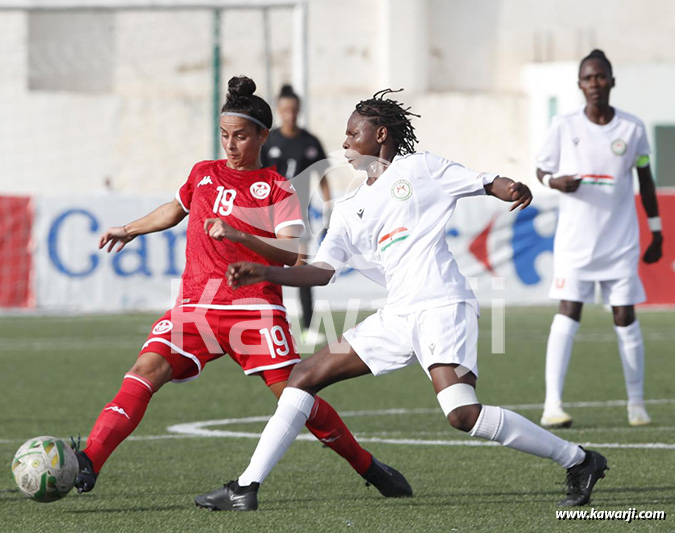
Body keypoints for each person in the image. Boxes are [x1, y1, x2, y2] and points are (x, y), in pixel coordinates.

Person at [194, 89, 608, 511]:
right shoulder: (350, 206)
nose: (345, 144)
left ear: (380, 135)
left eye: (353, 134)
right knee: (302, 377)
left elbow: (484, 181)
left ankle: (579, 460)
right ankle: (246, 487)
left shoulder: (420, 168)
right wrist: (266, 272)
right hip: (397, 315)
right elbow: (321, 271)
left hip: (443, 304)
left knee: (462, 415)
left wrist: (510, 187)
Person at [73, 76, 412, 502]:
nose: (230, 146)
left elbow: (292, 252)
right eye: (224, 136)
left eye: (239, 137)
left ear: (262, 136)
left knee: (297, 395)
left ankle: (368, 466)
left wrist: (239, 234)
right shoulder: (203, 174)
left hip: (254, 311)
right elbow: (174, 210)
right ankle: (90, 460)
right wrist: (130, 229)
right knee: (144, 371)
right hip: (195, 308)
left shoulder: (276, 188)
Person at [537, 50, 664, 429]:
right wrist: (553, 182)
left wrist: (656, 230)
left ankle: (637, 405)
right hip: (576, 243)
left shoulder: (633, 129)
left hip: (620, 242)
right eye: (588, 78)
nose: (595, 84)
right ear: (580, 84)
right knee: (568, 312)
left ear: (611, 80)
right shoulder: (563, 125)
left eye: (601, 77)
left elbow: (645, 178)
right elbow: (542, 169)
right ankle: (552, 406)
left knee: (625, 316)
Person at [261, 84, 331, 343]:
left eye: (293, 110)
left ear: (298, 111)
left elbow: (322, 176)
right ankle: (264, 324)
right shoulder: (269, 141)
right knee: (267, 268)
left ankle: (308, 327)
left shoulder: (309, 142)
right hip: (268, 214)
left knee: (302, 267)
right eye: (285, 110)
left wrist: (328, 206)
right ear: (279, 111)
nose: (289, 114)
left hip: (297, 216)